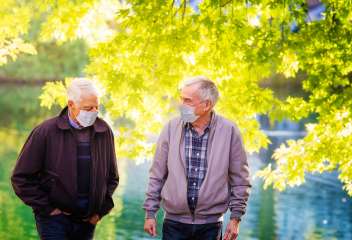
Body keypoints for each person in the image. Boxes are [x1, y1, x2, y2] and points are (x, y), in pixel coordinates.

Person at [143, 76, 251, 240]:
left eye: (188, 101)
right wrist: (150, 213)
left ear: (207, 104)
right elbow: (157, 174)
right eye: (181, 99)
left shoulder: (229, 131)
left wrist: (235, 218)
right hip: (173, 224)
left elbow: (240, 179)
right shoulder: (171, 128)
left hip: (211, 226)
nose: (181, 105)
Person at [11, 78, 119, 240]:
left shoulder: (104, 131)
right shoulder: (45, 132)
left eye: (97, 107)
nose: (94, 112)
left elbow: (112, 177)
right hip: (53, 220)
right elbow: (21, 178)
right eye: (87, 108)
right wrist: (48, 209)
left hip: (87, 220)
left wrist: (100, 211)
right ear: (71, 105)